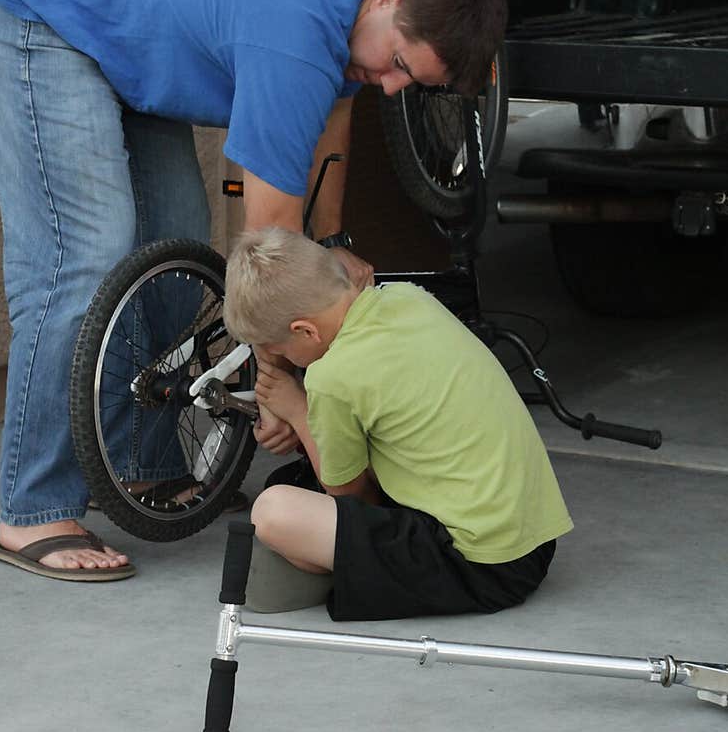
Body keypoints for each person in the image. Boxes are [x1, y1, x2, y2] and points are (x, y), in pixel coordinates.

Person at [0, 0, 507, 581]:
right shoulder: (300, 22)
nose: (392, 87)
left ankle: (141, 464)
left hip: (120, 36)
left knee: (173, 238)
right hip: (37, 12)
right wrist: (281, 380)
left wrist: (332, 245)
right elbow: (269, 246)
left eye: (410, 82)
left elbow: (331, 120)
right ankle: (31, 507)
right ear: (389, 0)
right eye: (398, 65)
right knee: (84, 255)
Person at [223, 228, 573, 621]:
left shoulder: (331, 378)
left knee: (273, 510)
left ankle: (356, 575)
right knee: (299, 480)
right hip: (534, 543)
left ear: (306, 330)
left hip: (480, 567)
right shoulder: (408, 297)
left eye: (281, 351)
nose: (283, 359)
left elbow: (350, 498)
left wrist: (299, 411)